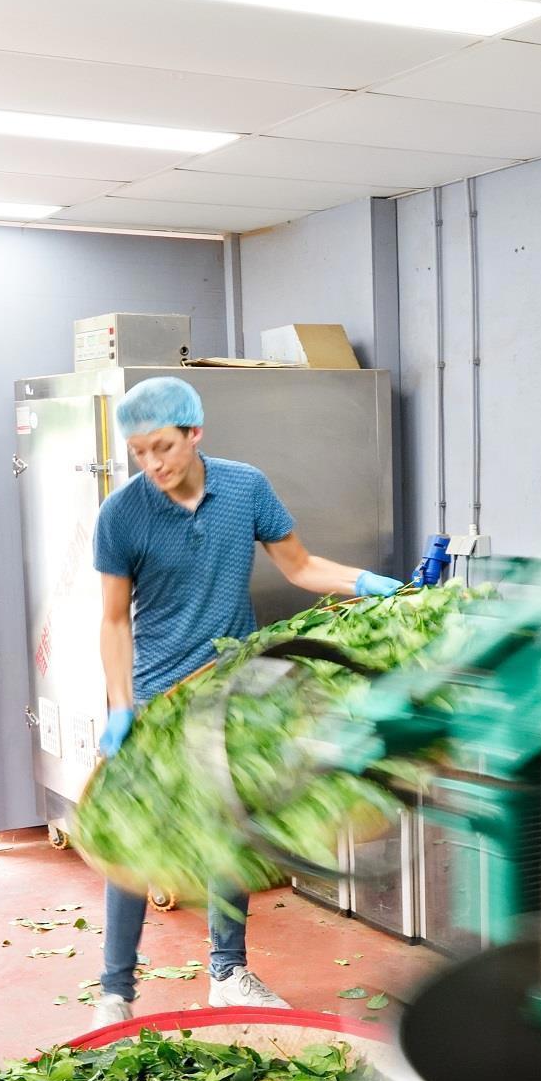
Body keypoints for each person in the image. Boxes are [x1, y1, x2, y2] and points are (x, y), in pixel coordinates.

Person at [85, 373, 400, 1022]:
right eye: (139, 453)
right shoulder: (121, 516)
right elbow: (114, 620)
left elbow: (300, 566)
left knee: (228, 832)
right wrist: (121, 705)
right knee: (132, 843)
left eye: (164, 448)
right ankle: (115, 992)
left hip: (234, 692)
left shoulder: (246, 488)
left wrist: (363, 582)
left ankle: (229, 973)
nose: (152, 465)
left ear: (195, 433)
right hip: (157, 703)